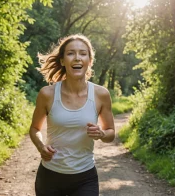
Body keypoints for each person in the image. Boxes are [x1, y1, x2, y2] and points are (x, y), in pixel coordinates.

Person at [29, 34, 115, 196]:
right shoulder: (47, 94)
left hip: (85, 177)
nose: (77, 58)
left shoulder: (100, 94)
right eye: (70, 53)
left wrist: (101, 133)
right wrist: (41, 147)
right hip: (50, 176)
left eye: (83, 53)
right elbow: (34, 128)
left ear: (90, 61)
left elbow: (110, 133)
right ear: (62, 61)